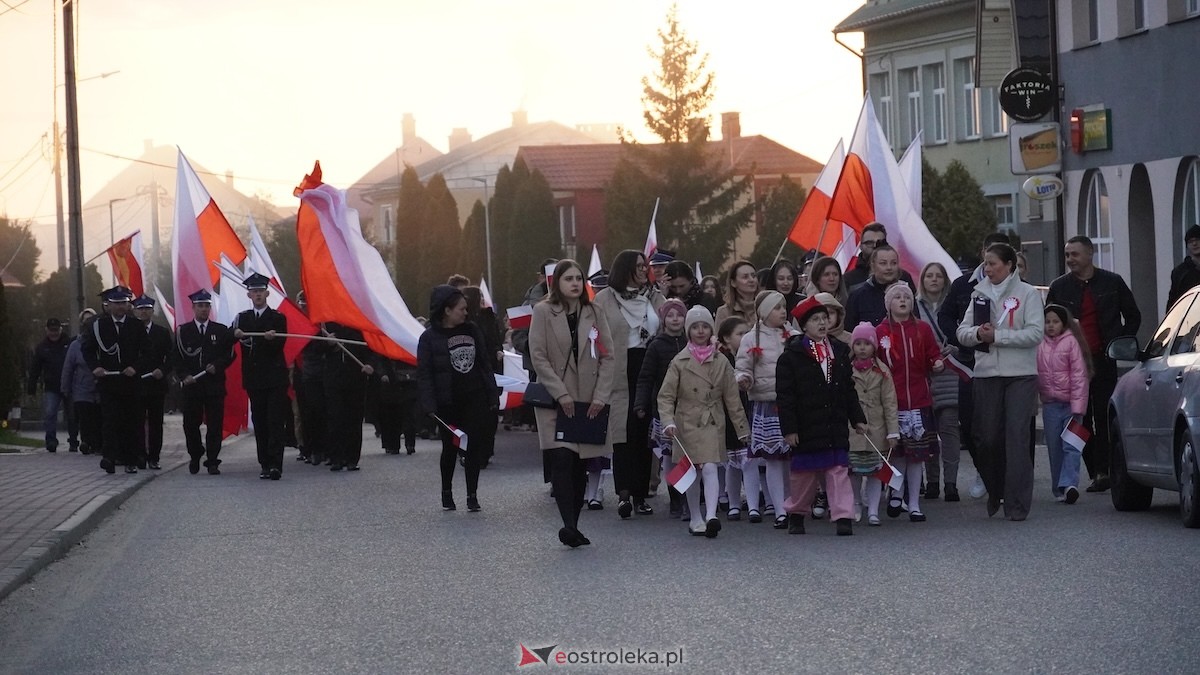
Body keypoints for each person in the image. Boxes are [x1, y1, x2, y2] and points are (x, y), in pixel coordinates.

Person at [528, 260, 615, 547]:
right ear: (557, 283)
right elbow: (538, 356)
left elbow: (607, 356)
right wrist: (561, 393)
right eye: (568, 279)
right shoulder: (542, 312)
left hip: (587, 400)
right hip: (557, 399)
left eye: (579, 278)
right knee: (562, 458)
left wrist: (601, 396)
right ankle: (567, 524)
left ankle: (575, 524)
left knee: (580, 464)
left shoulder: (594, 311)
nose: (575, 283)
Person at [1045, 235, 1141, 493]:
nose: (1070, 260)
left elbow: (1133, 315)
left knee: (1104, 414)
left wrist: (1119, 342)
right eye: (1067, 255)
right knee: (1080, 418)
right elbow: (1050, 322)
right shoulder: (1060, 287)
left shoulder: (1112, 282)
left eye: (1075, 254)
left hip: (1104, 358)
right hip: (1073, 365)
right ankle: (1096, 471)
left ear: (1089, 254)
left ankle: (1108, 468)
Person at [956, 242, 1044, 520]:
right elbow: (962, 332)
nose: (988, 268)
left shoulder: (1028, 294)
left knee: (1017, 438)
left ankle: (1017, 504)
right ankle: (996, 489)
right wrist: (978, 335)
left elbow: (1035, 334)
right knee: (986, 439)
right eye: (985, 263)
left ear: (1009, 266)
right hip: (986, 375)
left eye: (993, 263)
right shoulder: (979, 294)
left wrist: (1000, 337)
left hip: (1020, 375)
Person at [777, 295, 869, 536]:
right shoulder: (791, 356)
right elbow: (785, 396)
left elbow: (848, 388)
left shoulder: (839, 351)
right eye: (815, 319)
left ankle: (843, 516)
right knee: (804, 476)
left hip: (833, 422)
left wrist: (857, 417)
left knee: (838, 470)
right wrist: (789, 429)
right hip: (806, 425)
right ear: (804, 326)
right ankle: (796, 513)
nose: (821, 323)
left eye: (824, 318)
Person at [658, 306, 750, 537]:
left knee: (710, 466)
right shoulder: (679, 361)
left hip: (711, 420)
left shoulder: (721, 362)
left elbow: (732, 397)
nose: (700, 331)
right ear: (689, 331)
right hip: (686, 422)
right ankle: (695, 516)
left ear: (711, 329)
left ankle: (711, 515)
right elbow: (666, 395)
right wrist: (667, 421)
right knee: (692, 471)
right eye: (696, 327)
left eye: (705, 326)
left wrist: (741, 428)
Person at [938, 232, 1014, 499]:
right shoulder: (962, 285)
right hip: (969, 365)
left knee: (997, 426)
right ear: (983, 252)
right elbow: (944, 316)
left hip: (1002, 365)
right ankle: (984, 470)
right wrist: (961, 337)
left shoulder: (1018, 288)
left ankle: (1001, 477)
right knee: (969, 426)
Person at [593, 249, 664, 518]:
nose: (644, 270)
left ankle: (640, 494)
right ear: (624, 269)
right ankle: (623, 493)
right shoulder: (604, 300)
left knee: (644, 434)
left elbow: (669, 325)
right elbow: (595, 337)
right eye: (638, 266)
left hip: (649, 368)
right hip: (620, 370)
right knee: (622, 433)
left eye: (645, 266)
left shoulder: (655, 297)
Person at [417, 284, 499, 513]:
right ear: (447, 310)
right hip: (447, 403)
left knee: (473, 447)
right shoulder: (429, 338)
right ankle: (447, 492)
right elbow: (424, 374)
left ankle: (472, 494)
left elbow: (484, 364)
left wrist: (491, 394)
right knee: (450, 448)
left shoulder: (472, 331)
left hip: (474, 399)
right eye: (461, 309)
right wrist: (429, 404)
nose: (466, 312)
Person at [876, 282, 944, 521]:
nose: (903, 300)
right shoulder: (880, 331)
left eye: (906, 297)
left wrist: (937, 362)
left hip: (919, 400)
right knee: (896, 453)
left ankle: (914, 502)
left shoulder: (923, 329)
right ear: (889, 304)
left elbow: (932, 354)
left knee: (917, 456)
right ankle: (895, 493)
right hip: (893, 403)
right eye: (897, 298)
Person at [734, 290, 795, 528]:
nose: (783, 311)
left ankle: (793, 504)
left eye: (783, 307)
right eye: (777, 308)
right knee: (773, 459)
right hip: (767, 403)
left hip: (791, 403)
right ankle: (780, 508)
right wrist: (743, 378)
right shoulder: (751, 339)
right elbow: (742, 365)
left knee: (790, 459)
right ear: (765, 312)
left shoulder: (793, 335)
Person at [81, 286, 149, 474]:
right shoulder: (99, 326)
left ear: (128, 305)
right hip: (108, 381)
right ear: (108, 305)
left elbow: (147, 353)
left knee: (131, 421)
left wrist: (135, 367)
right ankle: (109, 457)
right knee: (110, 420)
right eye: (116, 303)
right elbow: (87, 349)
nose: (120, 307)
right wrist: (95, 367)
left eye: (124, 303)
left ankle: (130, 459)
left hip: (130, 381)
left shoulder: (136, 325)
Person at [634, 299, 689, 516]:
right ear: (663, 319)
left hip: (690, 407)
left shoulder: (691, 343)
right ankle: (675, 496)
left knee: (689, 454)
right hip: (664, 409)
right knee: (669, 456)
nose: (675, 319)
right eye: (670, 315)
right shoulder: (656, 345)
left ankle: (689, 495)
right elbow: (646, 377)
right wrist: (641, 403)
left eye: (679, 315)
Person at [233, 272, 290, 481]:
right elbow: (229, 340)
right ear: (249, 295)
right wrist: (235, 334)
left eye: (260, 292)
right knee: (260, 421)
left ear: (267, 293)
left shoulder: (277, 318)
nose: (257, 295)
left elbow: (279, 345)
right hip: (254, 378)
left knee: (275, 421)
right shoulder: (242, 318)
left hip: (275, 377)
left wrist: (270, 339)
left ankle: (276, 464)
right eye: (254, 292)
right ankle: (264, 463)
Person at [915, 261, 962, 501]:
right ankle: (932, 481)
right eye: (929, 275)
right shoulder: (913, 307)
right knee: (928, 431)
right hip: (924, 375)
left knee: (950, 428)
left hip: (950, 372)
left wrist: (952, 349)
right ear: (922, 280)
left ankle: (951, 482)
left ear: (945, 280)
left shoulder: (953, 305)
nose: (934, 280)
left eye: (938, 276)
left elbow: (962, 334)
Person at [175, 290, 234, 475]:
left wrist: (217, 365)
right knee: (190, 425)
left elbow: (230, 354)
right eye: (200, 306)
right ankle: (195, 454)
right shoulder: (183, 331)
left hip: (214, 386)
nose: (203, 309)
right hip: (192, 386)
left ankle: (212, 460)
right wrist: (184, 375)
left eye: (206, 305)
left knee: (214, 424)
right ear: (193, 308)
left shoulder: (220, 330)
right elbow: (176, 357)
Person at [1038, 304, 1092, 505]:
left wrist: (1078, 407)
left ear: (1064, 323)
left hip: (1071, 406)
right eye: (1047, 322)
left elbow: (1079, 375)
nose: (1051, 326)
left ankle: (1070, 484)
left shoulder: (1071, 343)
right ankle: (1058, 487)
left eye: (1055, 321)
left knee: (1072, 446)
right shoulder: (1039, 344)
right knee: (1054, 447)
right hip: (1050, 405)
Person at [847, 322, 899, 526]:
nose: (862, 348)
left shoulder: (883, 371)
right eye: (857, 343)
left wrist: (893, 432)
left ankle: (874, 510)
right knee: (854, 472)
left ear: (874, 346)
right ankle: (856, 504)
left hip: (877, 430)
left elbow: (890, 402)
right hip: (853, 431)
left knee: (876, 473)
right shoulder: (846, 369)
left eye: (866, 343)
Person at [322, 322, 373, 471]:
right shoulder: (326, 325)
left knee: (354, 419)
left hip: (355, 377)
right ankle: (336, 457)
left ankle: (352, 458)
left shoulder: (358, 325)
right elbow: (314, 348)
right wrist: (328, 344)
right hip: (333, 379)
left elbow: (370, 348)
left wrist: (370, 364)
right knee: (335, 418)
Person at [716, 316, 752, 520]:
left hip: (749, 413)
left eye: (747, 333)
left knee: (750, 461)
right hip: (729, 416)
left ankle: (754, 498)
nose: (745, 337)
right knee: (731, 461)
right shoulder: (722, 360)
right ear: (726, 339)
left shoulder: (752, 357)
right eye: (740, 334)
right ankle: (732, 500)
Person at [131, 295, 172, 470]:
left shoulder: (161, 332)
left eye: (147, 308)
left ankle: (154, 457)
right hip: (136, 383)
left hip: (156, 384)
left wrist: (162, 370)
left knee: (156, 423)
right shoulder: (129, 331)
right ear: (135, 310)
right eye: (140, 308)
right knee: (137, 422)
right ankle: (140, 455)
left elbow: (171, 356)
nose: (143, 312)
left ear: (152, 311)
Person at [463, 286, 502, 467]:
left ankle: (487, 450)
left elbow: (495, 339)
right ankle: (471, 451)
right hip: (470, 372)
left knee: (491, 412)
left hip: (489, 369)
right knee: (473, 415)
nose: (481, 300)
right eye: (477, 297)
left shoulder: (488, 317)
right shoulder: (463, 320)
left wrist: (498, 351)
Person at [27, 317, 75, 452]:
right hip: (51, 386)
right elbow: (35, 369)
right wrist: (31, 389)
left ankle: (73, 441)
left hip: (69, 385)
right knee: (49, 413)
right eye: (51, 330)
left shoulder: (69, 343)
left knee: (72, 415)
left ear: (60, 329)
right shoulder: (42, 347)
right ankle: (51, 441)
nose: (54, 333)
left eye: (56, 330)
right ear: (46, 330)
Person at [60, 309, 101, 456]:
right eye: (85, 321)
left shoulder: (102, 341)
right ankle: (86, 442)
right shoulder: (75, 345)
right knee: (85, 416)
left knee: (98, 416)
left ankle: (98, 443)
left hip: (100, 387)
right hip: (82, 388)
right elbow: (68, 368)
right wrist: (65, 388)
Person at [844, 244, 911, 328]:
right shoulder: (858, 296)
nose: (889, 267)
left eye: (893, 263)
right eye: (883, 263)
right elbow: (849, 330)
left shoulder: (906, 294)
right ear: (873, 265)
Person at [843, 222, 916, 289]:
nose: (875, 246)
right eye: (869, 243)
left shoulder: (904, 277)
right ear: (861, 246)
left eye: (879, 242)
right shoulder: (848, 279)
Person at [376, 355, 420, 456]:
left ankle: (408, 443)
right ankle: (396, 445)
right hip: (394, 380)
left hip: (406, 379)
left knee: (407, 414)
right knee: (394, 414)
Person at [715, 260, 759, 327]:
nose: (751, 280)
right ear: (733, 283)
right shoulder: (724, 312)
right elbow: (720, 336)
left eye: (753, 276)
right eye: (745, 277)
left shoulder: (766, 308)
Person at [1167, 224, 1200, 310]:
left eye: (1197, 240)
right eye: (1190, 241)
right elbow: (1173, 301)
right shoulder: (1180, 273)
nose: (1194, 243)